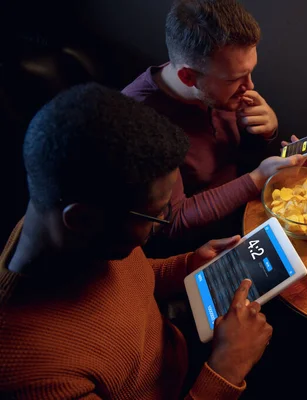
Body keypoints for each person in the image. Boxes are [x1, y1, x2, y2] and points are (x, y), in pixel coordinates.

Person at [0, 84, 272, 399]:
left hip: (177, 345)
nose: (162, 222)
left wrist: (186, 265)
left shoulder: (65, 234)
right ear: (81, 220)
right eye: (156, 216)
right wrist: (227, 368)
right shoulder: (33, 377)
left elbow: (127, 281)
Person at [123, 0, 302, 250]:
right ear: (188, 77)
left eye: (250, 72)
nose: (249, 86)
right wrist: (258, 178)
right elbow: (171, 222)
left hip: (246, 214)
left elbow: (229, 159)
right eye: (235, 78)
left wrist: (265, 130)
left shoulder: (214, 87)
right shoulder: (138, 122)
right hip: (202, 247)